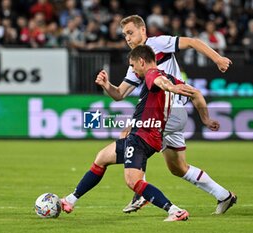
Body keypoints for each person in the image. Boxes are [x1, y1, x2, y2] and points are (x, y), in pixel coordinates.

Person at [96, 15, 236, 215]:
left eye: (130, 32)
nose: (127, 38)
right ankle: (224, 195)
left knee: (129, 134)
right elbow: (119, 94)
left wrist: (217, 59)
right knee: (178, 168)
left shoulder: (157, 43)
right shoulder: (135, 63)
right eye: (124, 34)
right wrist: (106, 85)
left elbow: (193, 42)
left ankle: (140, 191)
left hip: (169, 111)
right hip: (169, 116)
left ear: (142, 30)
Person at [61, 45, 201, 222]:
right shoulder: (169, 76)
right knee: (102, 157)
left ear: (142, 61)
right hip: (144, 134)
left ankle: (175, 211)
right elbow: (192, 92)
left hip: (142, 138)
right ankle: (70, 200)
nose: (133, 70)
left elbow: (161, 83)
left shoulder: (153, 74)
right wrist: (206, 118)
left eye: (133, 66)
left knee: (133, 181)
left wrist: (170, 88)